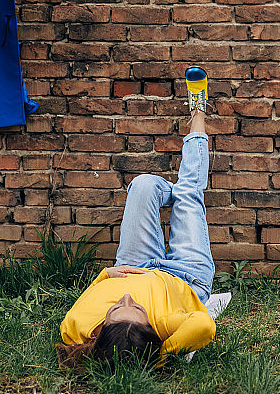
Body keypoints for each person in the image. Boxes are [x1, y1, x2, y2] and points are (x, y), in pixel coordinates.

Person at [56, 66, 216, 372]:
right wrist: (162, 354)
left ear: (100, 330)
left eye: (117, 308)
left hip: (132, 264)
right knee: (191, 194)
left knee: (142, 184)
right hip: (187, 277)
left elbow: (96, 292)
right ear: (153, 332)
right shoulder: (164, 326)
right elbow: (204, 326)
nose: (127, 299)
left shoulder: (76, 328)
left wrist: (106, 276)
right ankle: (198, 110)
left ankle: (178, 193)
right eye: (138, 309)